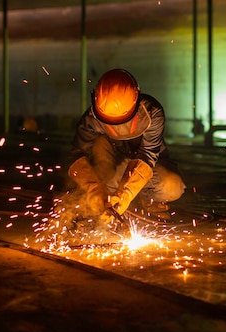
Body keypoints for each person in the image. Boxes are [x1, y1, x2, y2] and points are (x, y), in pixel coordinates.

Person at [66, 68, 185, 223]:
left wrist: (125, 195)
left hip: (149, 167)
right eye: (109, 121)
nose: (117, 127)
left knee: (172, 187)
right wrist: (95, 190)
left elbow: (147, 156)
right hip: (113, 167)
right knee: (98, 153)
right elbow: (77, 156)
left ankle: (148, 200)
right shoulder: (91, 119)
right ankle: (104, 202)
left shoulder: (152, 113)